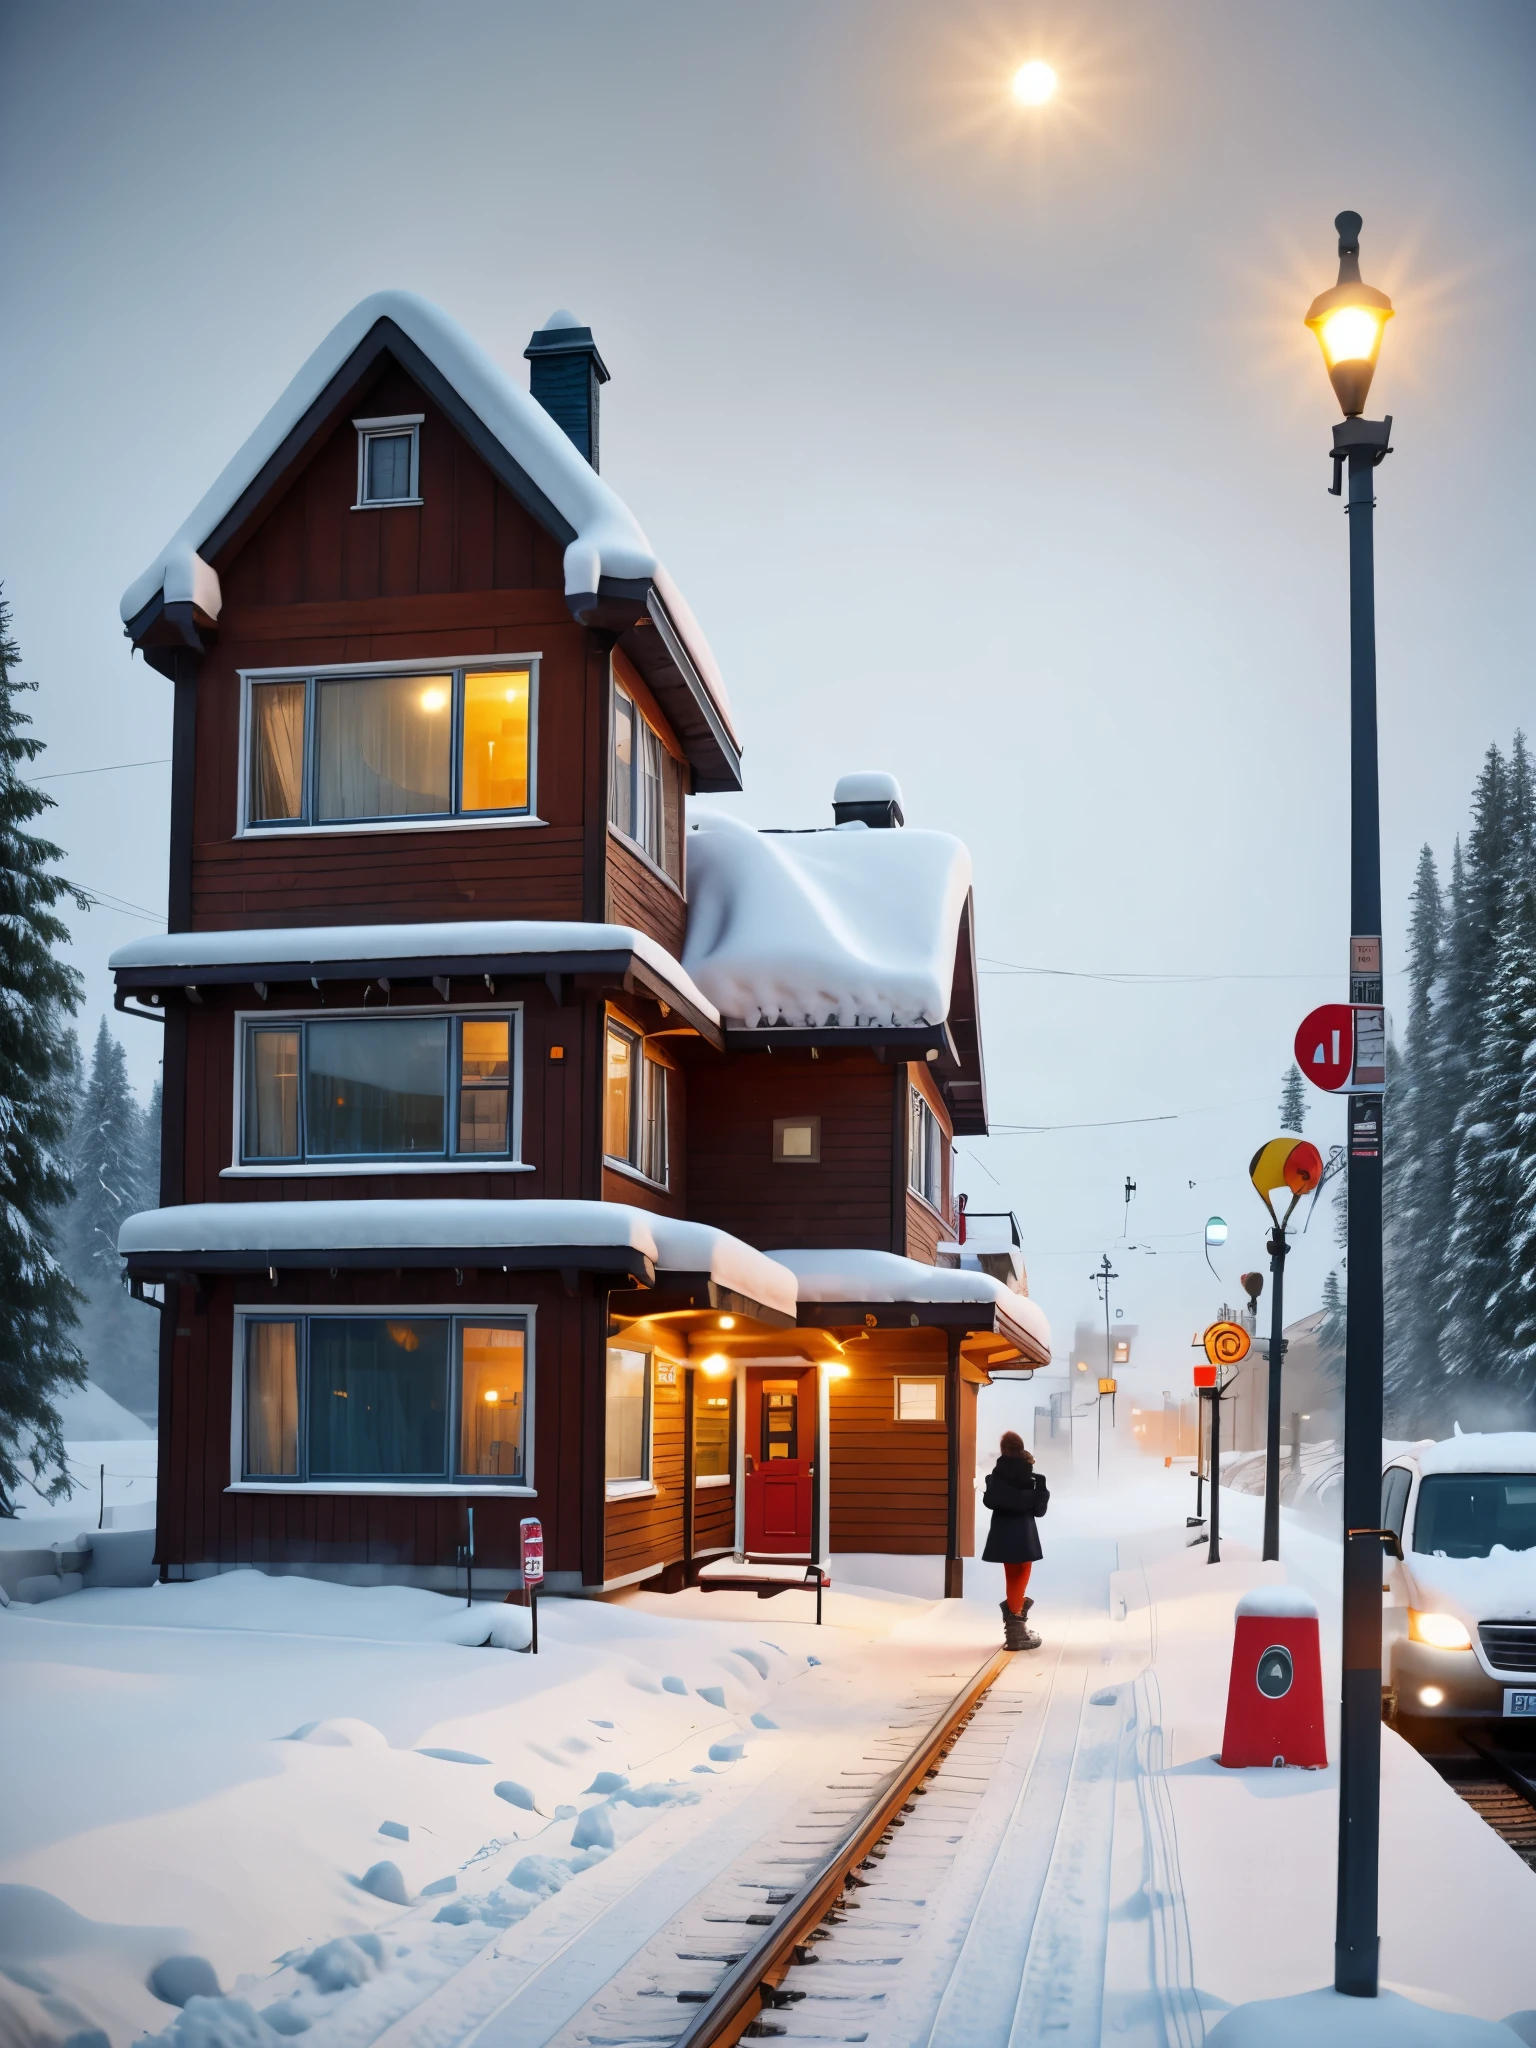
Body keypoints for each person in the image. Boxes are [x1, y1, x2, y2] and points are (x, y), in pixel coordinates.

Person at [981, 1430, 1048, 1650]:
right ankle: (1016, 1631)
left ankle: (1015, 1627)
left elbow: (990, 1502)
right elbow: (1039, 1511)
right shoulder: (1032, 1478)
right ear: (1021, 1449)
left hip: (1001, 1530)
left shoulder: (995, 1476)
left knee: (1011, 1574)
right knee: (1022, 1572)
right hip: (1022, 1531)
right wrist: (1041, 1492)